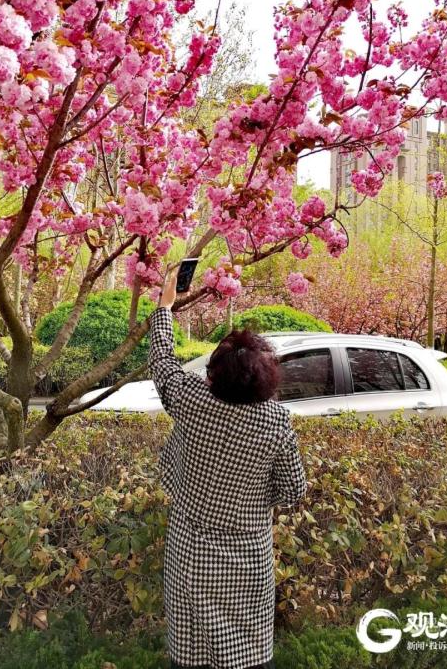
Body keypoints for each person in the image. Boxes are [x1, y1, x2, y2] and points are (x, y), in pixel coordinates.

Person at [148, 266, 308, 669]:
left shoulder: (193, 402)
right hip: (248, 558)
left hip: (193, 554)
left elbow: (163, 365)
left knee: (191, 653)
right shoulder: (275, 421)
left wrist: (165, 308)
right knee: (249, 657)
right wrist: (254, 498)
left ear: (214, 374)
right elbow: (293, 490)